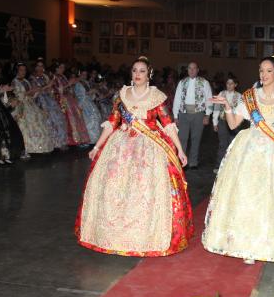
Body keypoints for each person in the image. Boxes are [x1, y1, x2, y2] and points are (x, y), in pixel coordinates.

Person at [202, 55, 274, 264]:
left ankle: (271, 243)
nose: (263, 75)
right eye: (261, 70)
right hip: (250, 151)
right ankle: (248, 246)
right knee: (249, 196)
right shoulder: (250, 96)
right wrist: (227, 106)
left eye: (268, 71)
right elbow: (233, 124)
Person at [75, 56, 193, 257]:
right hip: (121, 147)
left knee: (145, 189)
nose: (138, 74)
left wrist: (180, 150)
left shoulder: (156, 97)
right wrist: (97, 146)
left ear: (149, 75)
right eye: (135, 70)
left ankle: (145, 236)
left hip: (149, 148)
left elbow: (168, 125)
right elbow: (112, 123)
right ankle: (111, 235)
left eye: (142, 71)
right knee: (113, 185)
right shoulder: (122, 96)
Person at [172, 62, 213, 169]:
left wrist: (207, 115)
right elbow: (177, 99)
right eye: (190, 68)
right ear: (187, 70)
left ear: (198, 70)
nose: (192, 70)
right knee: (182, 138)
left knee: (196, 139)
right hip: (183, 114)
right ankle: (182, 162)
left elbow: (209, 99)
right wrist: (175, 115)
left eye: (194, 68)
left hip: (198, 114)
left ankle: (193, 162)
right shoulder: (182, 82)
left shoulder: (204, 82)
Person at [10, 62, 55, 156]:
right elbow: (17, 96)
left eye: (24, 70)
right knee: (24, 125)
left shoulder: (26, 81)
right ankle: (25, 149)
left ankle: (39, 146)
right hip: (21, 105)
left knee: (38, 121)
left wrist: (36, 92)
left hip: (30, 103)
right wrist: (29, 92)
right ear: (17, 71)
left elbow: (32, 95)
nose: (23, 72)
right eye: (21, 70)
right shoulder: (14, 81)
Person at [29, 59, 68, 150]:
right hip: (39, 99)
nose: (40, 68)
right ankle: (50, 143)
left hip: (48, 99)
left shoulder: (45, 76)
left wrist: (50, 89)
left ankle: (59, 142)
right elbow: (35, 91)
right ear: (35, 67)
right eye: (38, 66)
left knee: (57, 118)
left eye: (42, 66)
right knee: (47, 120)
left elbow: (50, 89)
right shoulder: (32, 78)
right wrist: (47, 86)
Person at [51, 62, 90, 147]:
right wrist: (69, 84)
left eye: (63, 67)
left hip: (68, 98)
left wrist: (71, 86)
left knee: (76, 117)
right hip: (61, 100)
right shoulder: (54, 77)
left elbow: (68, 87)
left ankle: (78, 139)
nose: (62, 69)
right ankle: (69, 140)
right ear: (56, 68)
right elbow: (55, 90)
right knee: (68, 119)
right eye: (61, 67)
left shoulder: (63, 76)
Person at [212, 76, 242, 173]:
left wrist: (238, 122)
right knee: (222, 144)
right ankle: (219, 166)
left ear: (235, 85)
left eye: (231, 83)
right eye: (228, 83)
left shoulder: (239, 96)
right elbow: (216, 108)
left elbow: (240, 111)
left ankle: (230, 166)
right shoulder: (222, 94)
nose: (229, 85)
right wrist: (215, 122)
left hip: (234, 123)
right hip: (222, 122)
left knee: (232, 144)